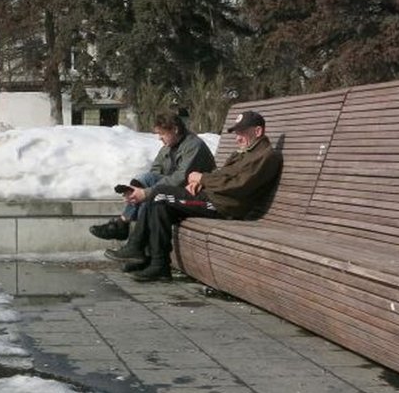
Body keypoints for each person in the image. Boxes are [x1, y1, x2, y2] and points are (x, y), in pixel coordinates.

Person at [128, 110, 283, 282]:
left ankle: (136, 247)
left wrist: (202, 178)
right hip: (211, 197)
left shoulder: (266, 156)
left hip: (223, 206)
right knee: (161, 205)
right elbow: (223, 175)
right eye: (236, 133)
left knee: (159, 193)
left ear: (258, 131)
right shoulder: (246, 152)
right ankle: (158, 264)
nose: (237, 138)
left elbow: (239, 186)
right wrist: (202, 182)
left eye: (241, 133)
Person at [90, 112, 216, 255]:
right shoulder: (168, 147)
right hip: (172, 188)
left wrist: (148, 192)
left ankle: (127, 234)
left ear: (175, 129)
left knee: (149, 196)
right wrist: (137, 189)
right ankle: (125, 228)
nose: (159, 138)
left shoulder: (194, 146)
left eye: (162, 134)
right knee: (144, 180)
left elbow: (180, 178)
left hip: (194, 193)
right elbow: (155, 170)